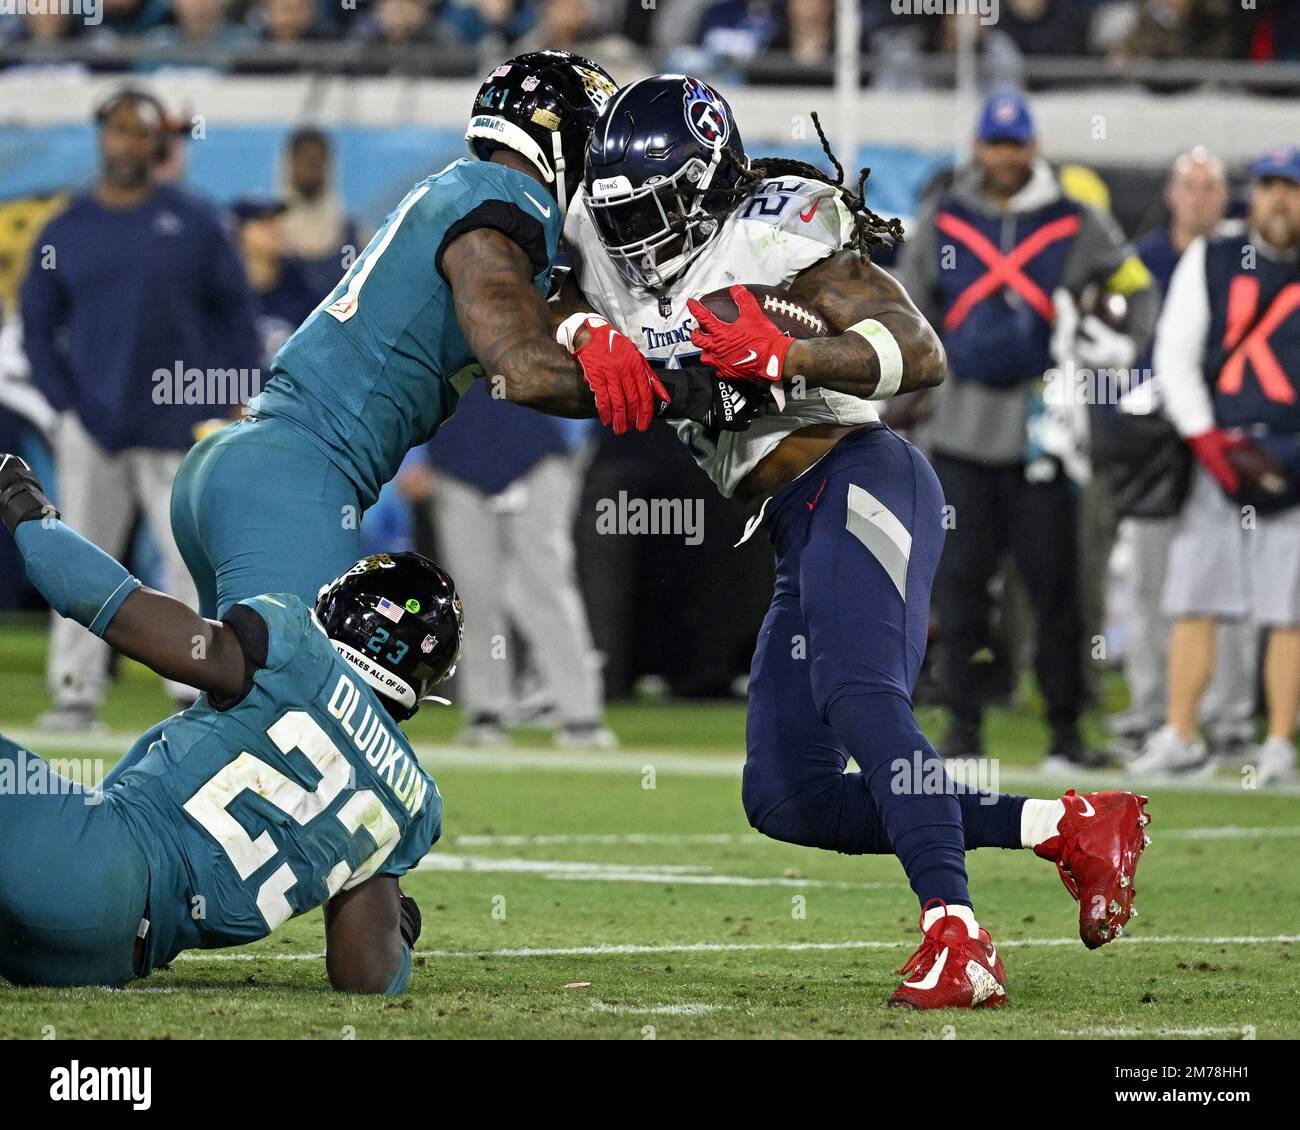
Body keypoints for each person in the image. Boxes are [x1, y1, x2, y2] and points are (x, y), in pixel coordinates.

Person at [562, 74, 1152, 1008]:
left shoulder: (778, 233)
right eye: (626, 209)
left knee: (857, 693)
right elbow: (543, 300)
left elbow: (920, 351)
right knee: (788, 796)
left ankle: (958, 935)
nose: (639, 231)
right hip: (791, 519)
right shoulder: (595, 249)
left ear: (710, 182)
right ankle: (1065, 825)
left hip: (858, 473)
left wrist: (784, 353)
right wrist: (578, 323)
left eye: (663, 204)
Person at [170, 51, 698, 625]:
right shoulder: (504, 212)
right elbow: (521, 370)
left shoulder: (466, 195)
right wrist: (689, 392)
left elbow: (533, 294)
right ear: (564, 143)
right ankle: (57, 554)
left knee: (235, 691)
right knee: (304, 702)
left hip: (237, 463)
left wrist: (580, 322)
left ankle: (71, 564)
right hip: (295, 474)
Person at [0, 453, 461, 992]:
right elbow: (365, 975)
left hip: (95, 864)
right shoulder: (410, 802)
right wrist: (400, 930)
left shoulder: (294, 649)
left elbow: (109, 604)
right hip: (107, 958)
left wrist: (26, 508)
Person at [896, 90, 1158, 768]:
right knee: (958, 589)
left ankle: (1066, 733)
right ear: (980, 148)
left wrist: (1117, 347)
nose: (1006, 156)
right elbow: (908, 307)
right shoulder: (945, 219)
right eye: (995, 143)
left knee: (1057, 589)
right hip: (959, 433)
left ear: (1031, 147)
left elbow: (1137, 287)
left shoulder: (1076, 221)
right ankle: (961, 730)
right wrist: (914, 386)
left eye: (1016, 143)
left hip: (1046, 437)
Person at [20, 87, 260, 733]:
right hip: (92, 425)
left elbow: (236, 316)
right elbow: (37, 327)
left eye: (139, 132)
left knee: (188, 560)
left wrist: (232, 396)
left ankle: (192, 689)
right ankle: (75, 692)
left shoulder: (197, 221)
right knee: (80, 558)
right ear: (102, 137)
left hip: (179, 422)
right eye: (117, 131)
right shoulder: (67, 228)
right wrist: (65, 402)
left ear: (158, 143)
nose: (127, 143)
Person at [1130, 146, 1300, 785]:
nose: (1280, 201)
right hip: (1222, 449)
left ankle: (1279, 742)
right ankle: (1180, 731)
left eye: (1291, 189)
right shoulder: (1216, 255)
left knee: (1289, 609)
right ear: (1251, 196)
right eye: (1270, 188)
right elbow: (1175, 352)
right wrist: (1208, 442)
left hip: (1293, 451)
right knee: (1194, 598)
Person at [1105, 149, 1256, 762]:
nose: (1198, 198)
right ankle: (1151, 710)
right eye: (1189, 187)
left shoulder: (1242, 261)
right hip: (1157, 439)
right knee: (1150, 579)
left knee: (1232, 585)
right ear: (1171, 194)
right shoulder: (1140, 262)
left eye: (1210, 188)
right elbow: (1115, 348)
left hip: (1225, 434)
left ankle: (1229, 718)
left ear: (1224, 198)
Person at [408, 381, 614, 748]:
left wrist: (571, 441)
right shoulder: (439, 323)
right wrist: (413, 456)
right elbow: (421, 378)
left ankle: (581, 714)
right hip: (457, 455)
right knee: (472, 590)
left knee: (548, 583)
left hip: (536, 451)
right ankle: (486, 711)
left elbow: (574, 364)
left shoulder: (540, 319)